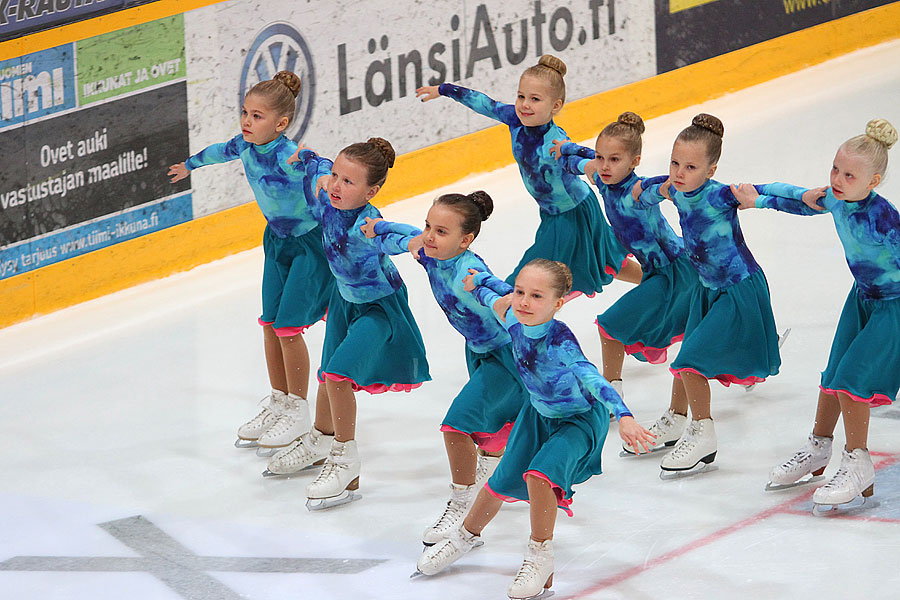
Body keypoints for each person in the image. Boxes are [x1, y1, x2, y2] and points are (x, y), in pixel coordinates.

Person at [414, 259, 653, 600]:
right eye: (521, 292)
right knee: (498, 484)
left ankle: (540, 555)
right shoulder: (512, 316)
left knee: (540, 476)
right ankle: (464, 537)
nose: (524, 301)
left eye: (536, 296)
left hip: (578, 421)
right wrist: (478, 280)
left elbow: (592, 378)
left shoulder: (561, 342)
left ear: (558, 304)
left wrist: (624, 415)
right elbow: (493, 294)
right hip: (537, 414)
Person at [732, 118, 899, 510]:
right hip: (862, 298)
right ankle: (819, 448)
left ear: (873, 181)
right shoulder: (838, 199)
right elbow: (799, 198)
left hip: (894, 306)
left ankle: (858, 462)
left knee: (853, 380)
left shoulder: (885, 219)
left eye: (849, 174)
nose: (838, 179)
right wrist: (757, 195)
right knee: (833, 375)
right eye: (835, 169)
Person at [167, 71, 334, 456]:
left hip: (309, 246)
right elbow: (216, 152)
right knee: (271, 324)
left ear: (281, 123)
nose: (246, 121)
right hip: (276, 243)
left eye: (257, 116)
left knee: (289, 328)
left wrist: (324, 177)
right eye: (245, 112)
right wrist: (189, 165)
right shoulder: (244, 147)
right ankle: (279, 400)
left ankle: (298, 409)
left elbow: (317, 162)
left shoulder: (288, 154)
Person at [360, 190, 530, 544]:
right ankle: (493, 472)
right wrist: (379, 226)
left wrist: (514, 300)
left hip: (507, 357)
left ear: (465, 240)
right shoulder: (431, 253)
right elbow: (406, 236)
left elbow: (500, 292)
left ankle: (463, 504)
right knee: (491, 425)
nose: (429, 236)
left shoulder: (471, 269)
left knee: (456, 426)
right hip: (480, 352)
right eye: (429, 226)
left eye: (441, 231)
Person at [415, 55, 641, 298]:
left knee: (525, 283)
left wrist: (588, 166)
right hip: (555, 213)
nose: (524, 105)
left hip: (571, 216)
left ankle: (513, 319)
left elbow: (572, 158)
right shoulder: (515, 119)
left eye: (535, 99)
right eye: (521, 96)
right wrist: (444, 89)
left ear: (555, 106)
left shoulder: (554, 140)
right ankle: (659, 281)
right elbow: (484, 103)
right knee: (606, 261)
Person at [284, 137, 430, 509]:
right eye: (337, 175)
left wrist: (418, 241)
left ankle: (345, 458)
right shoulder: (327, 198)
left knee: (338, 376)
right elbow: (316, 168)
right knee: (326, 376)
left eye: (348, 182)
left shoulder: (368, 223)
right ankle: (320, 439)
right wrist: (310, 159)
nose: (336, 185)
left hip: (380, 307)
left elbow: (394, 234)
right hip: (344, 300)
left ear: (372, 190)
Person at [633, 114, 782, 476]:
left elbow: (773, 191)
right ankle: (676, 418)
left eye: (690, 166)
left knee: (691, 362)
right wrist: (643, 190)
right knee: (686, 356)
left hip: (737, 288)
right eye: (674, 163)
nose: (679, 172)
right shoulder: (676, 189)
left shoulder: (719, 195)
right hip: (708, 288)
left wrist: (804, 197)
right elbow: (650, 190)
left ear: (711, 169)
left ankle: (703, 434)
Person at [550, 112, 702, 453]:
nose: (604, 165)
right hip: (655, 271)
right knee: (693, 325)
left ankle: (611, 391)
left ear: (634, 161)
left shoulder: (639, 190)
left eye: (614, 159)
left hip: (676, 272)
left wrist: (689, 182)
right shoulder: (602, 178)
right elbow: (580, 160)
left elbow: (668, 186)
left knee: (610, 326)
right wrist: (564, 147)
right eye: (602, 157)